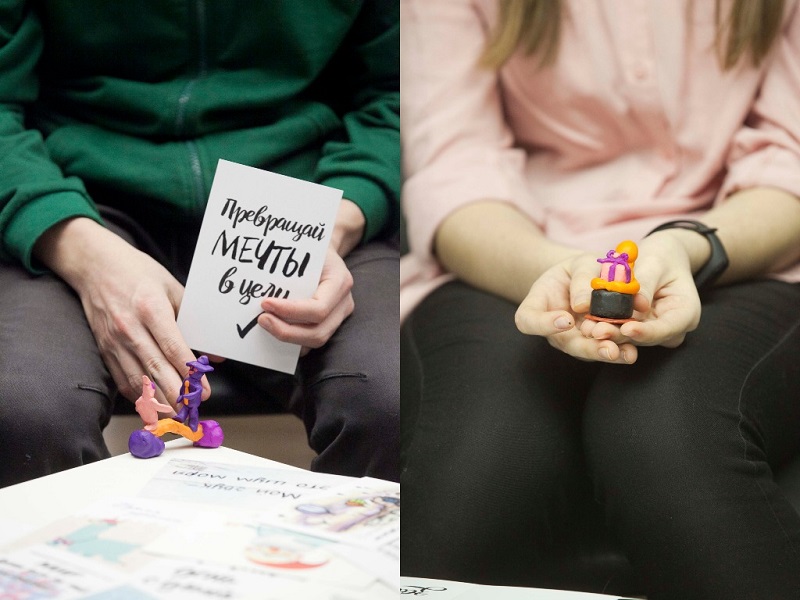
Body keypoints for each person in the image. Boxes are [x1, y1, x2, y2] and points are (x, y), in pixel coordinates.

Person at [400, 1, 800, 598]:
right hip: (510, 254)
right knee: (477, 477)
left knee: (665, 436)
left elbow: (790, 164)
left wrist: (684, 248)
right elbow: (453, 170)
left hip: (743, 250)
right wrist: (560, 271)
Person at [0, 1, 400, 487]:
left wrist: (331, 225)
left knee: (390, 400)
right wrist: (80, 251)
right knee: (26, 411)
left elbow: (397, 93)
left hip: (304, 191)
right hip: (75, 196)